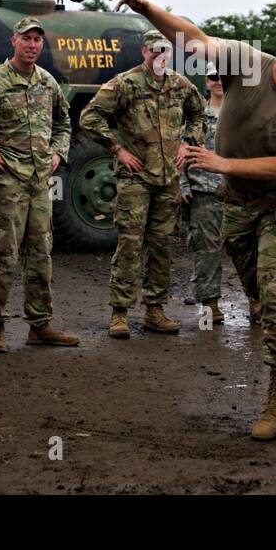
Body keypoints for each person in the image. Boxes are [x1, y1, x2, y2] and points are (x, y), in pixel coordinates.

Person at [108, 0, 276, 442]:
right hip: (237, 203)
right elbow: (195, 41)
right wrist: (148, 9)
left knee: (275, 297)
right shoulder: (248, 63)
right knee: (265, 287)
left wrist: (222, 163)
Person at [80, 29, 205, 337]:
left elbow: (199, 113)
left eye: (165, 51)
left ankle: (155, 310)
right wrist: (117, 148)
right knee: (129, 245)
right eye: (154, 51)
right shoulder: (126, 84)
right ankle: (120, 313)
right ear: (144, 53)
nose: (160, 56)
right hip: (136, 178)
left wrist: (188, 143)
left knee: (162, 247)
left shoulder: (179, 84)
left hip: (167, 180)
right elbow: (90, 117)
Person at [0, 16, 79, 352]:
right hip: (5, 183)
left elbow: (64, 123)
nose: (32, 45)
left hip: (39, 183)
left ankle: (39, 325)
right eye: (26, 39)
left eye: (37, 40)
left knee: (41, 255)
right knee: (2, 255)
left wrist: (59, 153)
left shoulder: (48, 83)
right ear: (13, 41)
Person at [180, 66, 226, 323]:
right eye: (213, 77)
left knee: (248, 250)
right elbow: (181, 153)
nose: (219, 82)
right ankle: (210, 307)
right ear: (206, 82)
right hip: (204, 191)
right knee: (206, 251)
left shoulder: (242, 117)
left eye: (224, 77)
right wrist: (182, 185)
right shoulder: (196, 119)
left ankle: (256, 302)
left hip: (237, 192)